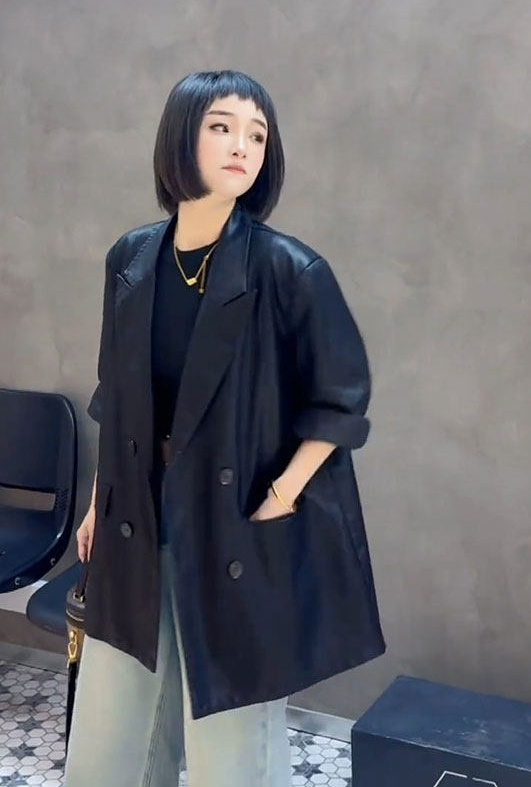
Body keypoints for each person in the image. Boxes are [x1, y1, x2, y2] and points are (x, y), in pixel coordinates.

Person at [63, 69, 386, 787]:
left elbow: (340, 401)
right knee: (116, 719)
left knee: (230, 738)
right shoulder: (131, 258)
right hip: (137, 514)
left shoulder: (289, 269)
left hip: (235, 519)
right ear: (181, 137)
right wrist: (97, 502)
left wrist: (281, 497)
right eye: (221, 127)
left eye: (257, 134)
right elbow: (115, 395)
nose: (243, 146)